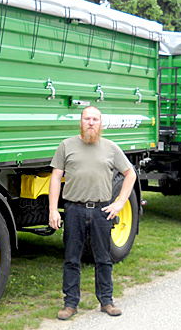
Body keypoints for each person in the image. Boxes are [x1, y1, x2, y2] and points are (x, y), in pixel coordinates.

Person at [48, 105, 136, 320]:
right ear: (81, 122)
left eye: (95, 119)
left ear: (100, 123)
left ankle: (106, 301)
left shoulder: (111, 148)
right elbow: (55, 178)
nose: (91, 123)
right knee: (71, 258)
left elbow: (130, 174)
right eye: (87, 118)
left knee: (103, 259)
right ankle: (70, 304)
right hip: (73, 210)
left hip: (101, 211)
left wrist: (120, 203)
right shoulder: (66, 146)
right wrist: (53, 209)